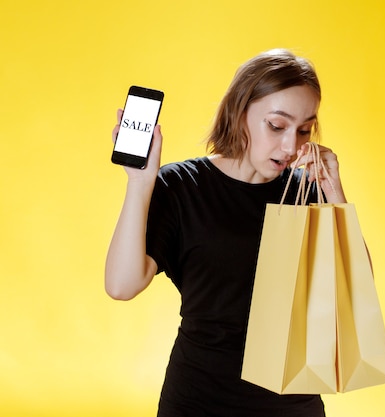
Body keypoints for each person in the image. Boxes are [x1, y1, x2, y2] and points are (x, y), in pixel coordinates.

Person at [105, 49, 348, 417]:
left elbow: (350, 294)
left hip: (291, 402)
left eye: (304, 129)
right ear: (240, 113)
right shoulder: (181, 187)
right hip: (199, 398)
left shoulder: (305, 192)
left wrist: (335, 196)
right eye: (277, 125)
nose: (291, 146)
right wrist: (140, 184)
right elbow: (122, 286)